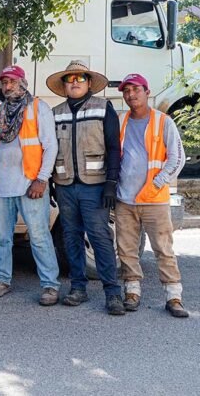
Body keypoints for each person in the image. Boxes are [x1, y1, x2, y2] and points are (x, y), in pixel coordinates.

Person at [45, 60, 125, 315]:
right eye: (71, 78)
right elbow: (47, 149)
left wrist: (111, 183)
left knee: (100, 238)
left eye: (81, 77)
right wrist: (49, 183)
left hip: (96, 187)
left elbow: (114, 148)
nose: (75, 82)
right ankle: (78, 287)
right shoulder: (55, 113)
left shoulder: (103, 108)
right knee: (71, 238)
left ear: (89, 83)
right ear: (64, 84)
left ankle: (113, 292)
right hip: (65, 187)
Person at [0, 65, 61, 305]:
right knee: (2, 237)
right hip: (3, 186)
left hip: (31, 185)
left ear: (22, 83)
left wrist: (41, 179)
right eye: (3, 82)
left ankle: (50, 286)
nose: (7, 87)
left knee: (39, 237)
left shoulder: (38, 108)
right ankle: (1, 281)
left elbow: (51, 147)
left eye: (12, 82)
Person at [115, 73, 188, 318]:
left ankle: (173, 296)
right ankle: (132, 291)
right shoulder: (121, 121)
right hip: (125, 199)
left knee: (163, 249)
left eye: (136, 89)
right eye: (126, 91)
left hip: (154, 199)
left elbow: (177, 159)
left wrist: (156, 184)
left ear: (147, 92)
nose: (131, 94)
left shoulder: (163, 121)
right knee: (126, 249)